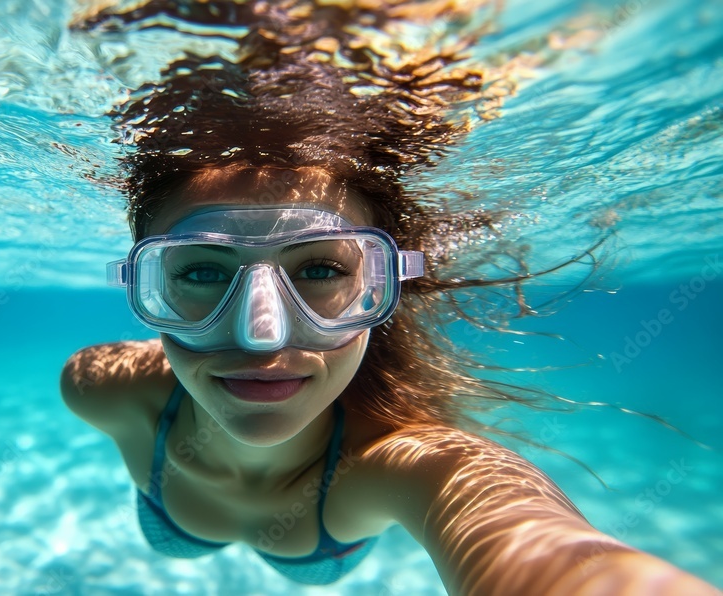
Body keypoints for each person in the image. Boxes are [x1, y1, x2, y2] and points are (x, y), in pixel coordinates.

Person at [62, 0, 720, 592]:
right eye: (201, 273)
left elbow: (551, 558)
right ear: (145, 285)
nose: (263, 334)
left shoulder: (409, 465)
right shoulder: (98, 387)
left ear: (381, 284)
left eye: (320, 270)